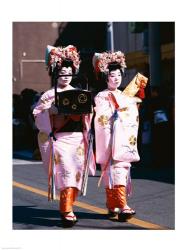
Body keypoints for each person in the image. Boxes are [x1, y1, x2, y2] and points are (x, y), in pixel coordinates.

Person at [33, 45, 95, 227]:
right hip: (60, 139)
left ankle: (68, 205)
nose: (66, 74)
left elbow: (88, 117)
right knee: (66, 172)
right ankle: (66, 210)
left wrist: (89, 110)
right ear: (55, 73)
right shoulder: (48, 95)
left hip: (77, 140)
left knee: (75, 173)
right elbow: (37, 116)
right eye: (62, 71)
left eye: (69, 71)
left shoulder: (80, 92)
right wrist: (50, 112)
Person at [93, 51, 145, 222]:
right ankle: (120, 206)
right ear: (105, 78)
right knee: (111, 172)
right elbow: (102, 118)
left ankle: (114, 205)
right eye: (111, 75)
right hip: (110, 140)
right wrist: (122, 109)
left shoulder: (124, 95)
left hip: (122, 139)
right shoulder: (101, 96)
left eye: (118, 75)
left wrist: (131, 107)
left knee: (121, 170)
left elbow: (130, 117)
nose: (115, 78)